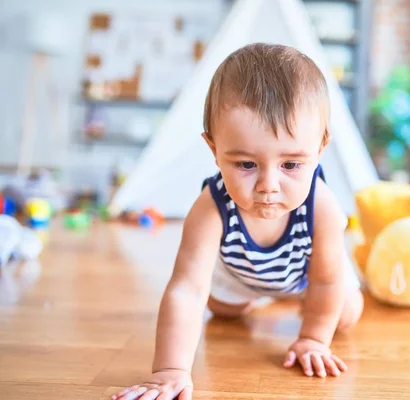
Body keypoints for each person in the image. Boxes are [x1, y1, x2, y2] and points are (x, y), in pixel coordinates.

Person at [111, 43, 364, 400]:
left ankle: (292, 300)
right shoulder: (210, 208)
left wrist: (312, 339)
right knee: (222, 310)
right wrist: (170, 370)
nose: (268, 186)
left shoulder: (322, 206)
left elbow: (325, 281)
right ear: (214, 149)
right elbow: (186, 290)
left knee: (347, 312)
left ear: (320, 148)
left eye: (291, 165)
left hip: (308, 278)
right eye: (246, 164)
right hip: (240, 276)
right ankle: (260, 296)